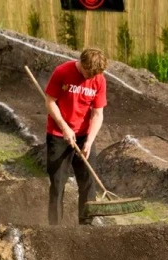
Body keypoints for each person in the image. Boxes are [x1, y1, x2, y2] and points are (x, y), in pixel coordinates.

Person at [44, 47, 107, 225]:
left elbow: (97, 114)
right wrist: (64, 127)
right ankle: (55, 228)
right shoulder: (62, 72)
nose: (90, 78)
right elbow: (50, 101)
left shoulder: (99, 79)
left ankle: (86, 226)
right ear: (82, 64)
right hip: (58, 134)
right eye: (89, 73)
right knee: (57, 184)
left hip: (84, 135)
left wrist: (89, 141)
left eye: (95, 75)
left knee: (88, 183)